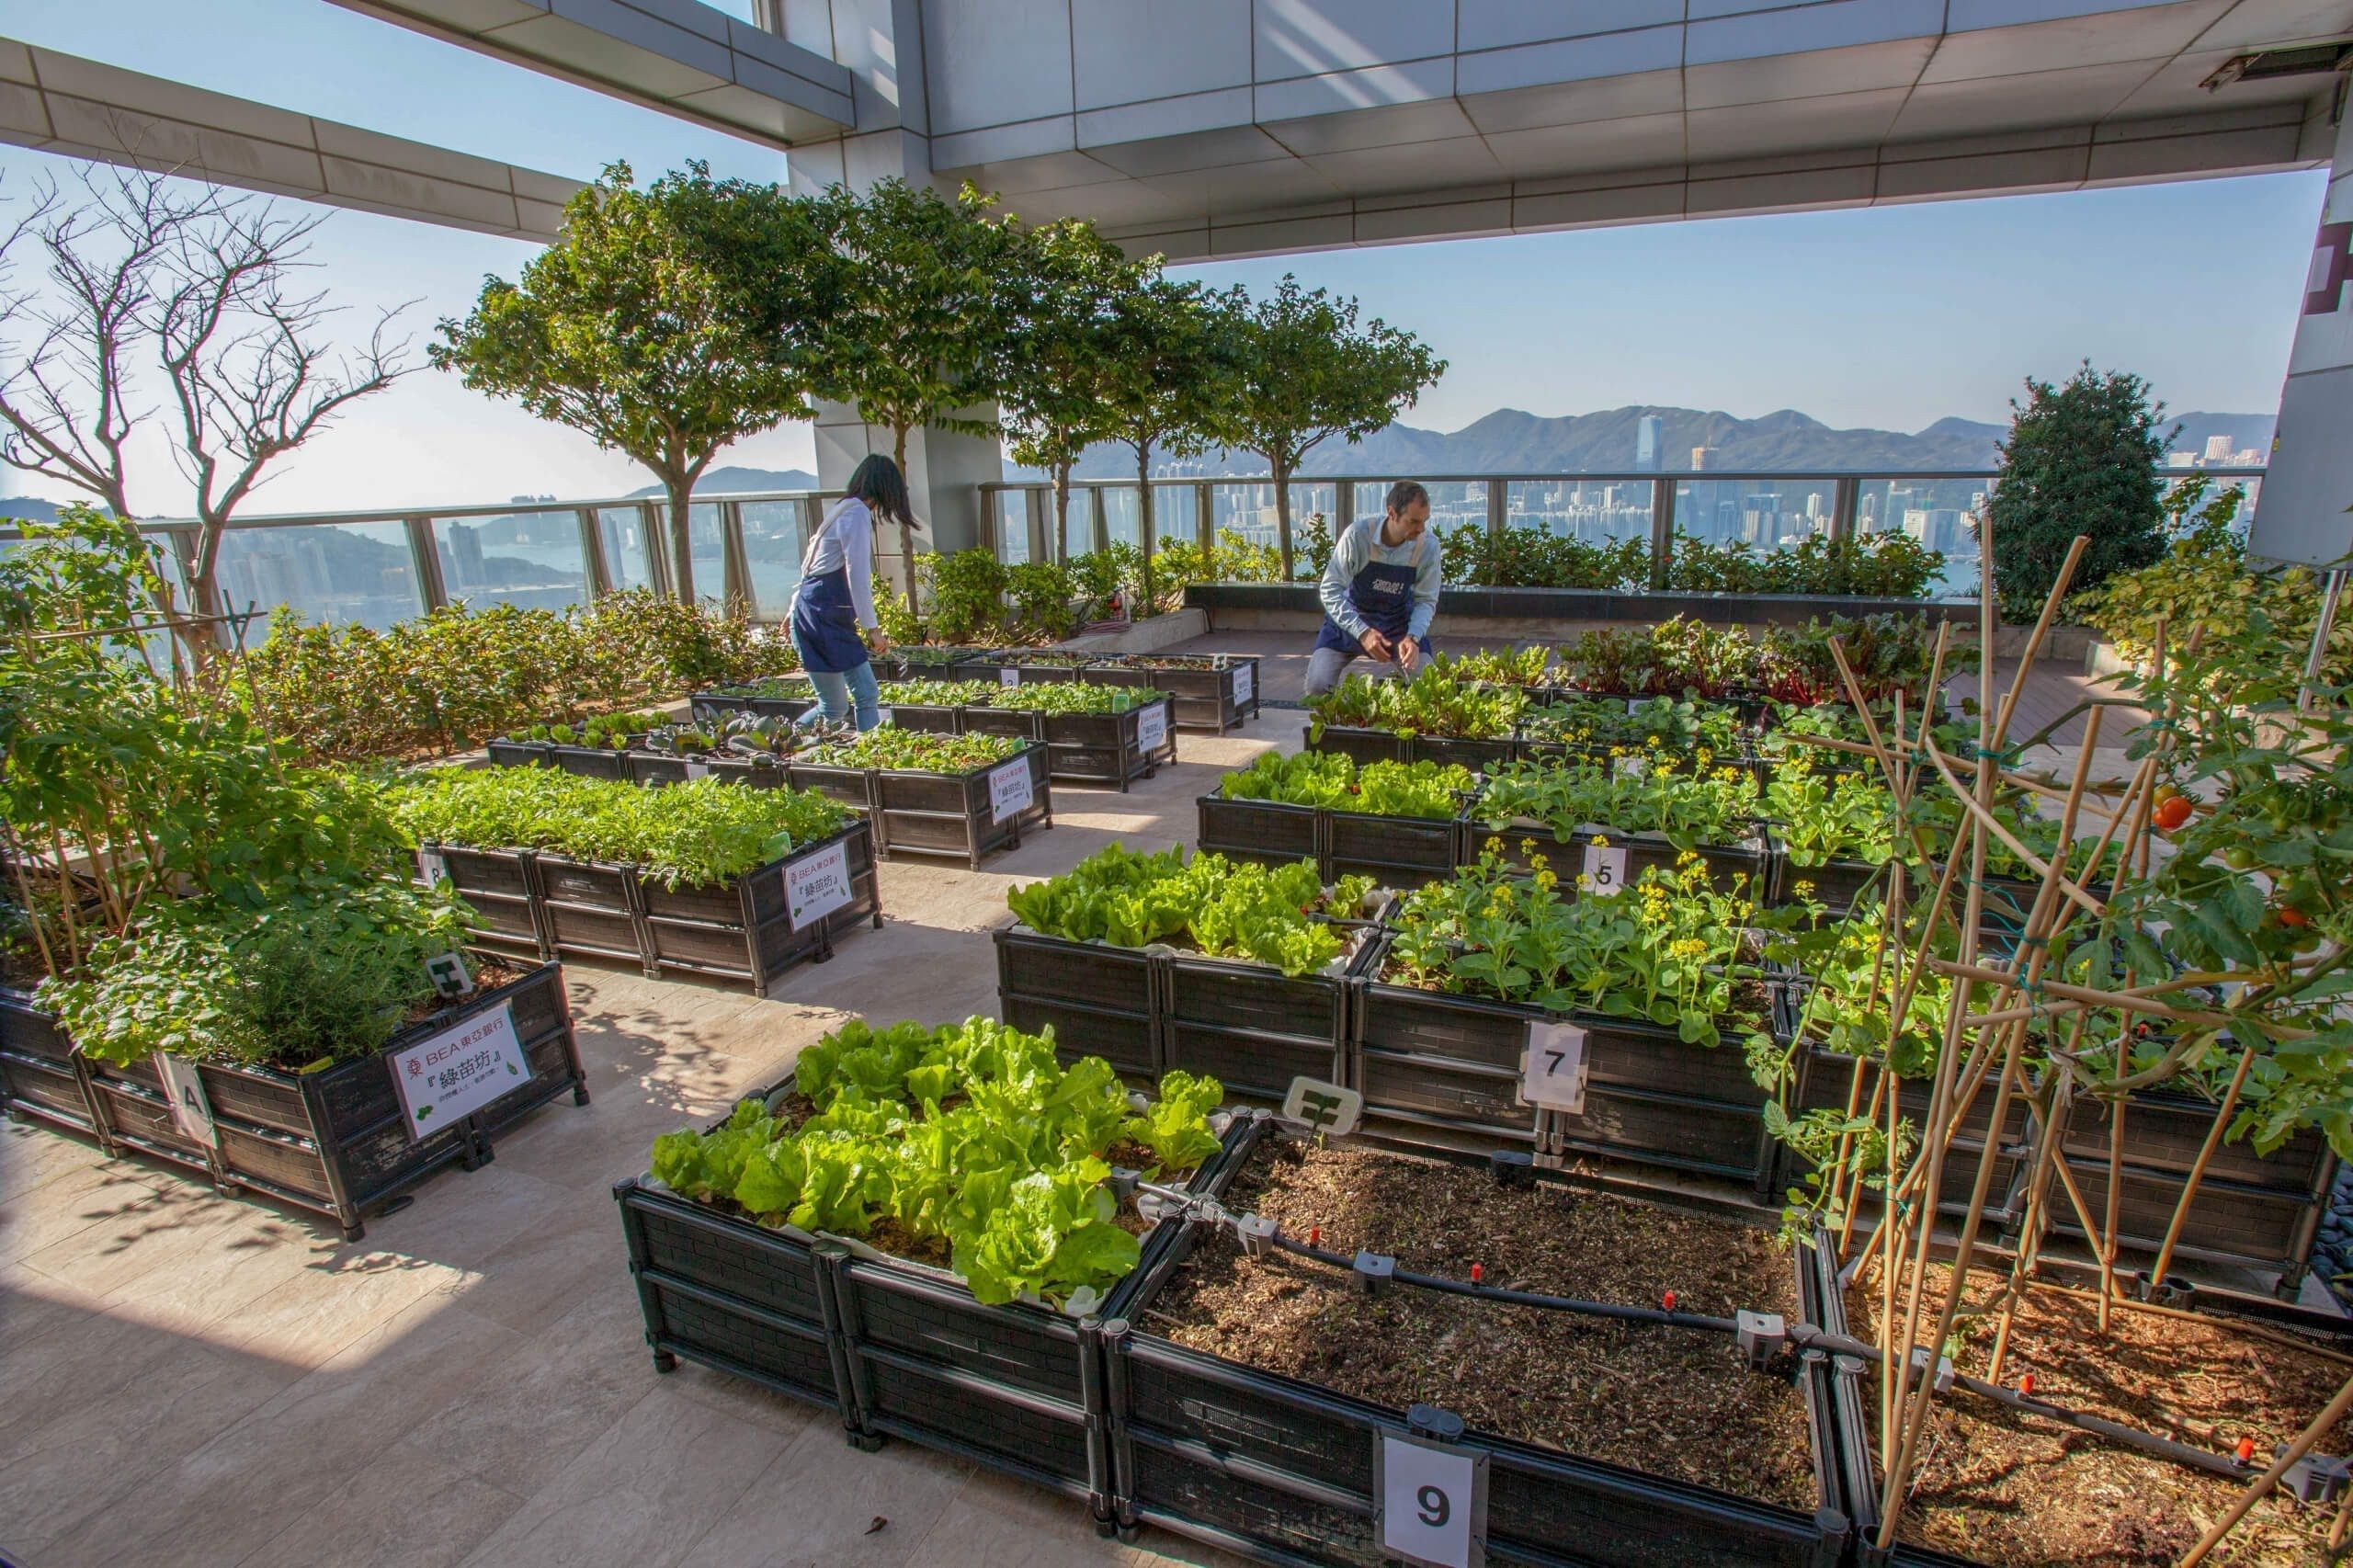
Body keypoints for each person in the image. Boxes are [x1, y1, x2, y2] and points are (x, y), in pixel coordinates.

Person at [790, 454, 908, 731]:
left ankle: (785, 740)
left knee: (840, 704)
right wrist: (872, 629)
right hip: (824, 617)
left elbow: (810, 569)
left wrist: (792, 610)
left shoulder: (842, 509)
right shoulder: (856, 513)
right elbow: (858, 575)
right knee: (854, 699)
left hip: (813, 612)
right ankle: (788, 740)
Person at [1304, 480, 1439, 698]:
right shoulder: (1358, 536)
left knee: (1429, 688)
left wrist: (1413, 637)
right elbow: (1330, 590)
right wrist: (1362, 632)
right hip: (1350, 621)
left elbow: (1426, 600)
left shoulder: (1429, 546)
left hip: (1399, 624)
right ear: (1392, 513)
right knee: (1318, 686)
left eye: (1425, 521)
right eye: (1414, 521)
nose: (1421, 529)